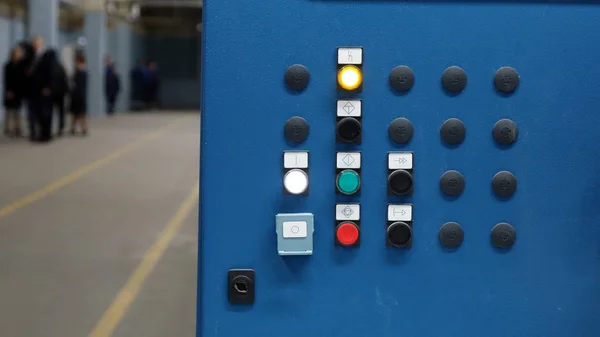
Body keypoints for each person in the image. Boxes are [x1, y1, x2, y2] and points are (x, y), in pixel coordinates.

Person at [25, 36, 56, 142]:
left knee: (45, 113)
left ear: (41, 43)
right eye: (34, 42)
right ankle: (39, 134)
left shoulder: (47, 55)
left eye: (37, 42)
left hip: (44, 89)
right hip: (33, 89)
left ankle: (46, 134)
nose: (35, 44)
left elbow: (50, 72)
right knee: (37, 113)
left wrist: (48, 87)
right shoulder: (31, 56)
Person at [3, 46, 25, 137]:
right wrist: (8, 91)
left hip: (18, 91)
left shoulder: (21, 65)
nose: (18, 55)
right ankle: (7, 128)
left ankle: (17, 128)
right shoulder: (8, 65)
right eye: (17, 53)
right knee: (9, 110)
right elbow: (7, 79)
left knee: (17, 111)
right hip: (10, 91)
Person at [69, 54, 88, 135]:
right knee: (76, 113)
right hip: (79, 94)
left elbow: (76, 84)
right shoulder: (83, 71)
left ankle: (83, 128)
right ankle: (73, 128)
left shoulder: (79, 71)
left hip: (78, 95)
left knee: (80, 113)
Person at [51, 61, 68, 136]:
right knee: (61, 112)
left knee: (52, 111)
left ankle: (56, 127)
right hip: (60, 94)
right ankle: (61, 127)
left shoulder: (50, 67)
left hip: (54, 93)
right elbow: (65, 80)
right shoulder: (61, 67)